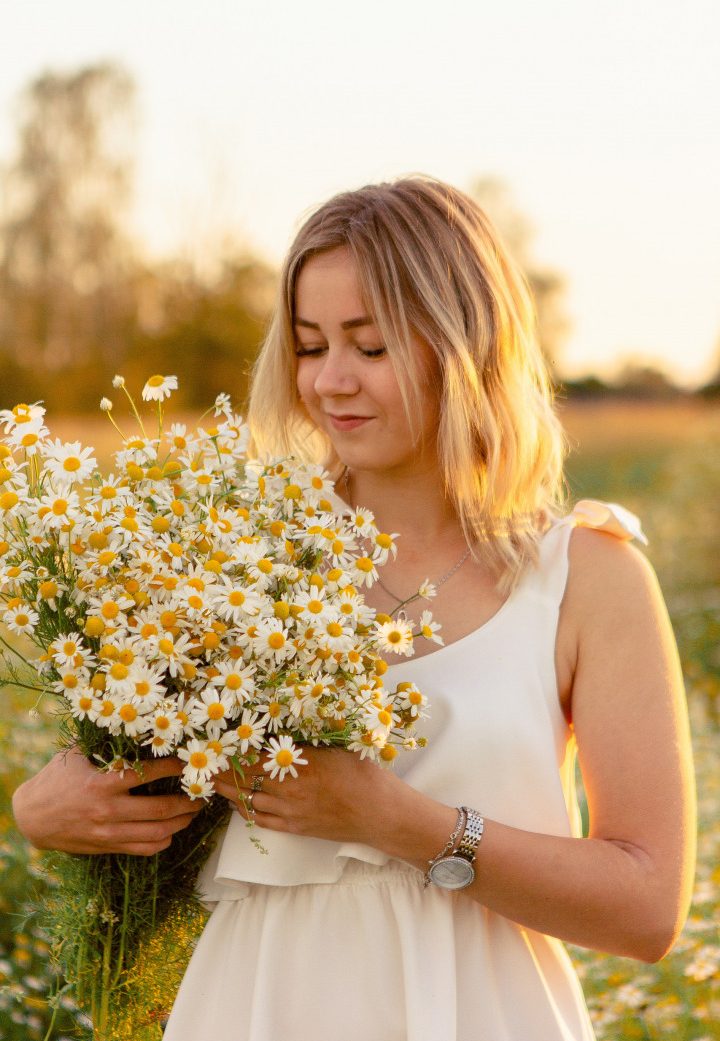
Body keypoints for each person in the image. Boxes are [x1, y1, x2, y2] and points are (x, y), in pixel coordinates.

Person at [13, 177, 696, 1040]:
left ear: (466, 346)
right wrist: (44, 811)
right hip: (256, 1005)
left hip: (488, 1013)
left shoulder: (586, 573)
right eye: (309, 345)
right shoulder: (228, 556)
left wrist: (395, 822)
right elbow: (115, 769)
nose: (330, 381)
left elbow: (646, 908)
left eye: (370, 347)